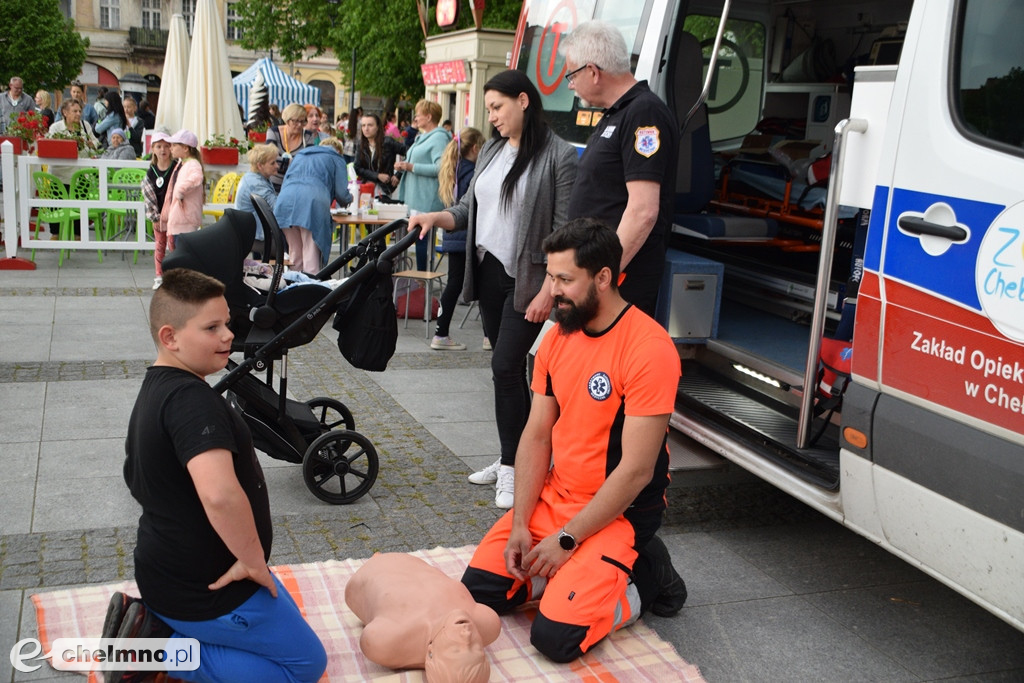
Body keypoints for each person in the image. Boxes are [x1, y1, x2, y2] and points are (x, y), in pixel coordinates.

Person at [460, 218, 688, 664]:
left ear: (603, 277)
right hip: (556, 498)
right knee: (479, 596)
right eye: (550, 276)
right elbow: (536, 434)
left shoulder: (650, 348)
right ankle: (573, 579)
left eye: (564, 279)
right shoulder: (557, 338)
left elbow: (638, 471)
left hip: (617, 513)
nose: (552, 290)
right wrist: (523, 522)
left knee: (556, 638)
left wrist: (566, 541)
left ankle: (647, 575)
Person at [103, 267, 327, 683]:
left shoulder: (161, 385)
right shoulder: (192, 403)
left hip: (167, 572)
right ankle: (154, 650)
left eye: (227, 322)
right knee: (305, 665)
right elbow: (220, 495)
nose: (228, 335)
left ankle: (159, 626)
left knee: (287, 614)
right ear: (169, 337)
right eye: (211, 327)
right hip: (203, 589)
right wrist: (251, 560)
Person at [408, 71, 578, 508]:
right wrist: (434, 218)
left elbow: (565, 232)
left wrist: (550, 290)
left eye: (497, 107)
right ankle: (516, 456)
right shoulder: (492, 150)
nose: (492, 117)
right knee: (508, 373)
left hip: (528, 281)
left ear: (523, 101)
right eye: (488, 110)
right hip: (486, 272)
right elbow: (468, 208)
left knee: (505, 367)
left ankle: (513, 468)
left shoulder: (558, 156)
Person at [560, 20, 679, 318]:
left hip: (618, 284)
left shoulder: (644, 113)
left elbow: (643, 211)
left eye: (571, 76)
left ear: (593, 71)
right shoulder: (618, 113)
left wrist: (603, 278)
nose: (571, 85)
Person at [345, 553, 501, 682]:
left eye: (456, 649)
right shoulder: (485, 623)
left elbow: (373, 638)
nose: (466, 635)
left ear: (431, 652)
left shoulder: (391, 639)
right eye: (476, 649)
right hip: (410, 560)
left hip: (368, 573)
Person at [429, 127, 484, 351]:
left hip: (454, 236)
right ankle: (441, 333)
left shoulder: (454, 170)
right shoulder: (472, 173)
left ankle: (442, 332)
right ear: (476, 148)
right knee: (460, 285)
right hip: (466, 236)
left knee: (457, 284)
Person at [273, 137, 352, 274]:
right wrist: (350, 199)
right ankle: (311, 292)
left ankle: (293, 291)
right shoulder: (336, 158)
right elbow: (341, 193)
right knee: (311, 257)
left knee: (295, 256)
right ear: (338, 150)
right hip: (312, 204)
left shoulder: (300, 155)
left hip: (284, 203)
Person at [395, 99, 451, 271]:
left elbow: (441, 167)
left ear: (428, 116)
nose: (415, 118)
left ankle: (422, 280)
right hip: (417, 197)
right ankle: (417, 280)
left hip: (426, 199)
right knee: (418, 240)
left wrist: (411, 167)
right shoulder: (423, 137)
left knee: (422, 241)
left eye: (418, 115)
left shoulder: (439, 138)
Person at [160, 129, 205, 256]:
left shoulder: (192, 164)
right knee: (180, 255)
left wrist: (180, 191)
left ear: (185, 148)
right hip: (180, 218)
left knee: (182, 256)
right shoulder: (183, 163)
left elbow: (196, 178)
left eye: (174, 145)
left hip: (184, 219)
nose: (171, 148)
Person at [234, 143, 280, 258]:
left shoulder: (254, 177)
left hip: (253, 233)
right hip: (256, 237)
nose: (277, 166)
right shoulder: (257, 184)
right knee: (289, 246)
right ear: (260, 166)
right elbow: (277, 209)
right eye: (272, 163)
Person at [143, 131, 176, 289]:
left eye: (166, 146)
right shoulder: (151, 172)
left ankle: (176, 274)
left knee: (175, 244)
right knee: (160, 244)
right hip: (159, 215)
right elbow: (148, 196)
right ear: (153, 149)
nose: (163, 150)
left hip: (175, 215)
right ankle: (159, 275)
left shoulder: (177, 169)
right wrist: (154, 217)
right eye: (159, 146)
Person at [265, 103, 318, 191]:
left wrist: (283, 162)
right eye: (296, 121)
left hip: (297, 186)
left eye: (302, 121)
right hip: (273, 185)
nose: (299, 125)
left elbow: (309, 162)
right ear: (287, 120)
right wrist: (296, 162)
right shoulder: (273, 132)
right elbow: (270, 158)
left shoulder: (307, 136)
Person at [353, 113, 402, 199]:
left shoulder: (388, 142)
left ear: (378, 127)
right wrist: (377, 176)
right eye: (363, 125)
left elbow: (410, 153)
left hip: (384, 189)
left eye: (370, 125)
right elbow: (357, 168)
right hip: (365, 189)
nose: (366, 129)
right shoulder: (360, 145)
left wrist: (399, 174)